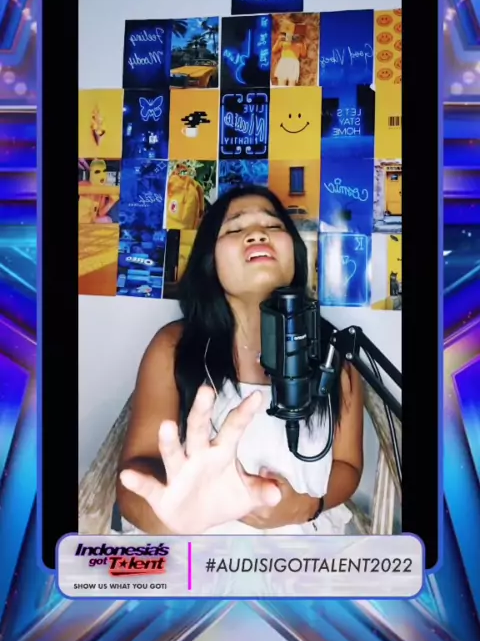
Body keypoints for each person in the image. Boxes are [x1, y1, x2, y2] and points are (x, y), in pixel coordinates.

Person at [117, 185, 363, 535]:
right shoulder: (173, 348)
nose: (257, 233)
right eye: (235, 229)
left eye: (273, 226)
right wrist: (174, 519)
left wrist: (305, 507)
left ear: (295, 254)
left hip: (301, 554)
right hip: (195, 557)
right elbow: (134, 482)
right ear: (210, 261)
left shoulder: (334, 355)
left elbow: (348, 465)